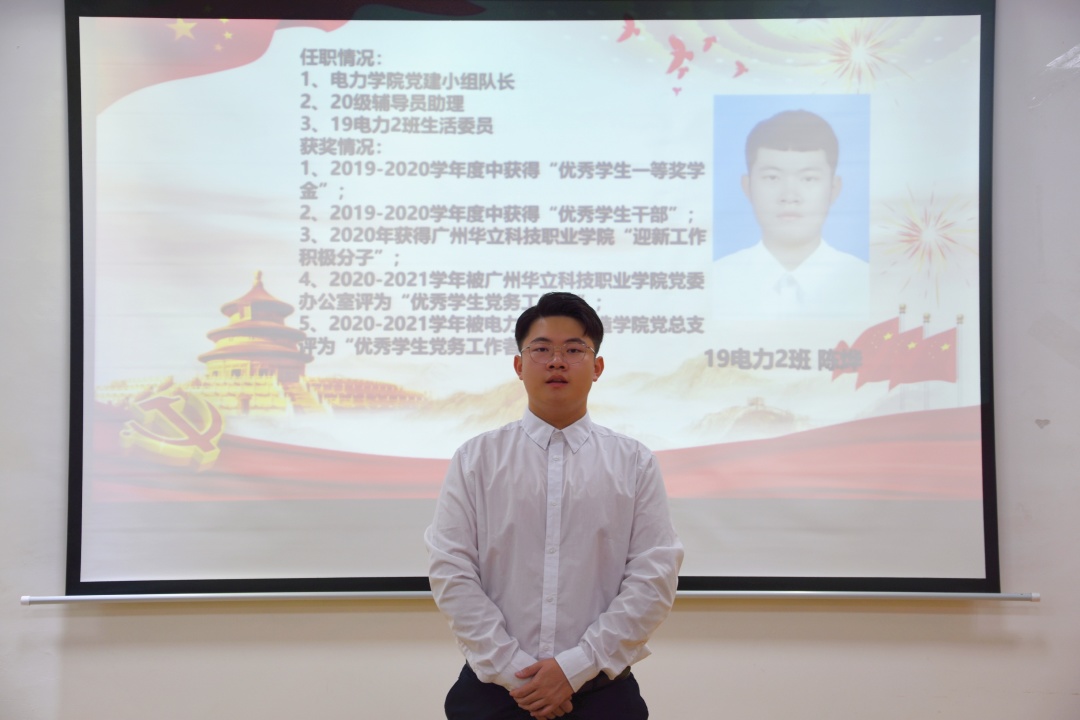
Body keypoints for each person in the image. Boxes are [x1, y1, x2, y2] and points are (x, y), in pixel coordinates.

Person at [425, 292, 683, 720]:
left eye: (574, 350)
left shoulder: (634, 462)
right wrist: (518, 673)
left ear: (597, 367)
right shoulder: (476, 459)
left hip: (603, 694)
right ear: (518, 365)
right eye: (541, 349)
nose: (557, 362)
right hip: (493, 697)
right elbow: (451, 571)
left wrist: (574, 668)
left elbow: (653, 577)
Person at [713, 108, 869, 317]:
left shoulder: (866, 282)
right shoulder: (715, 282)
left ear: (834, 189)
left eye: (808, 179)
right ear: (747, 187)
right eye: (772, 177)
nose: (789, 196)